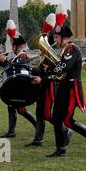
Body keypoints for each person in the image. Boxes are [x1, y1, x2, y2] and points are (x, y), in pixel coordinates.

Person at [33, 4, 86, 157]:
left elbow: (62, 68)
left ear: (65, 38)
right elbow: (58, 73)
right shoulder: (64, 50)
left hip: (71, 89)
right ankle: (62, 149)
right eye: (55, 37)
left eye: (57, 37)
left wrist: (50, 67)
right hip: (63, 87)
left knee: (66, 120)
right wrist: (44, 74)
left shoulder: (72, 48)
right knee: (58, 119)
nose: (54, 40)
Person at [27, 13, 72, 147]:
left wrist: (42, 73)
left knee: (46, 114)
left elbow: (55, 71)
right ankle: (38, 139)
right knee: (40, 113)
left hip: (49, 86)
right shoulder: (45, 54)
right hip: (42, 85)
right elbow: (39, 69)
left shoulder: (57, 53)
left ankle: (66, 130)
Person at [0, 20, 36, 138]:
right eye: (12, 44)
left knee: (21, 110)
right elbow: (5, 67)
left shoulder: (24, 55)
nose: (12, 47)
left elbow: (16, 69)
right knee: (11, 107)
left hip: (21, 87)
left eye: (14, 45)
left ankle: (37, 126)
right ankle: (12, 131)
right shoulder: (15, 55)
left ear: (20, 46)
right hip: (14, 86)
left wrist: (5, 61)